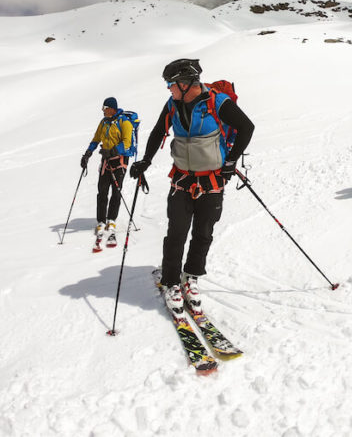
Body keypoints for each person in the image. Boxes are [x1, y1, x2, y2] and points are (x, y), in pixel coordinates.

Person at [130, 59, 254, 316]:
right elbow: (157, 132)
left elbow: (246, 127)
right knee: (176, 232)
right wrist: (145, 160)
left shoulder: (217, 102)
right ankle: (172, 282)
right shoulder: (172, 105)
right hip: (183, 179)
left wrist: (231, 161)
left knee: (203, 232)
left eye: (170, 84)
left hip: (212, 181)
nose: (169, 89)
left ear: (185, 84)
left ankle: (192, 276)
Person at [80, 97, 135, 244]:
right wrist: (87, 154)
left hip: (119, 160)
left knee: (116, 191)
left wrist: (112, 152)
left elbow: (127, 142)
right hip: (106, 159)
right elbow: (96, 139)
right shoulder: (104, 122)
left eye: (105, 108)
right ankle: (101, 221)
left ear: (112, 108)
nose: (103, 110)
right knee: (102, 190)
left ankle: (111, 219)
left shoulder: (124, 122)